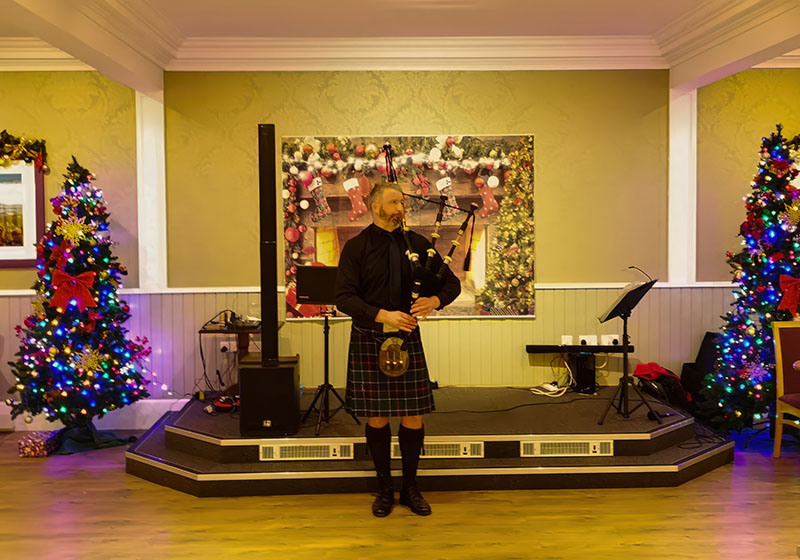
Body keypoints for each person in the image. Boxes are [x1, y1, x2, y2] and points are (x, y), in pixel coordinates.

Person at [335, 182, 461, 517]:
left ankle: (410, 487)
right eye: (394, 202)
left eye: (403, 203)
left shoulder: (418, 245)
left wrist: (434, 300)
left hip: (407, 341)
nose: (401, 208)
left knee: (413, 416)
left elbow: (451, 283)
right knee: (377, 418)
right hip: (369, 336)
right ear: (375, 206)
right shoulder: (357, 248)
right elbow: (344, 297)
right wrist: (381, 314)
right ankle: (384, 489)